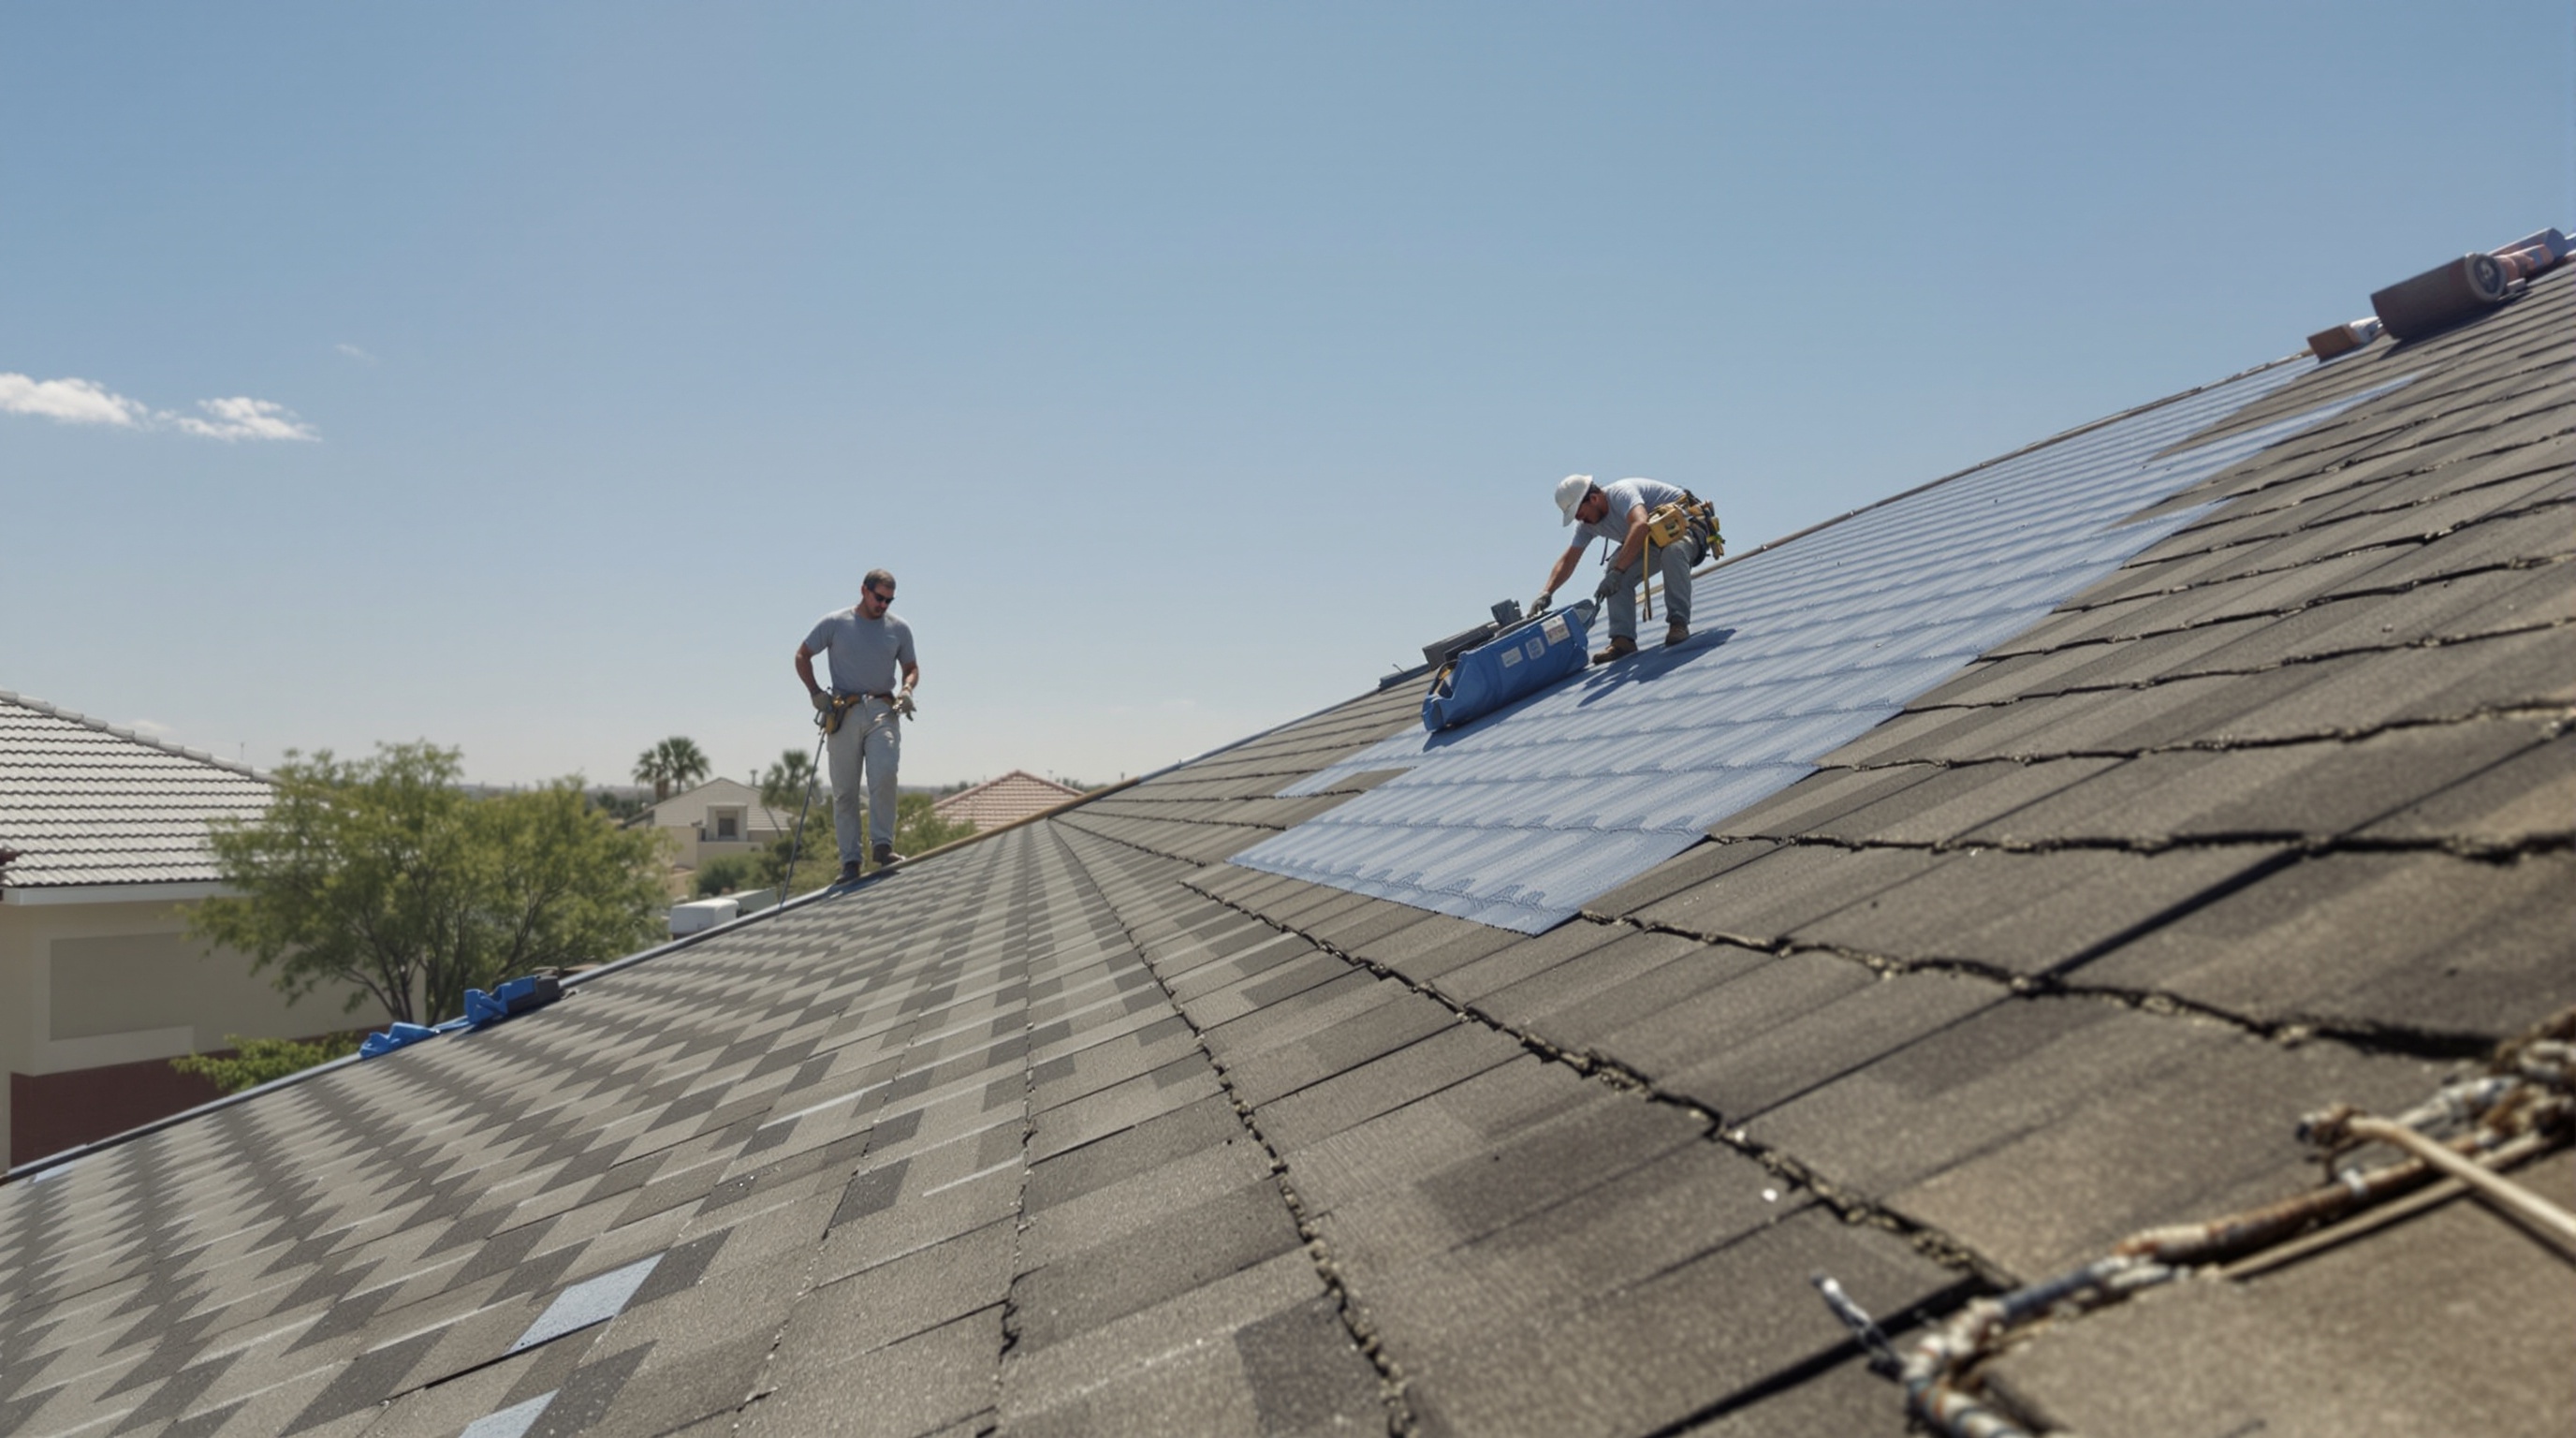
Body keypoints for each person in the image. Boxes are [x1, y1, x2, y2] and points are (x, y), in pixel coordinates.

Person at [794, 569, 919, 881]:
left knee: (885, 773)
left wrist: (907, 689)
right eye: (879, 598)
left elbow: (911, 667)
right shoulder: (835, 624)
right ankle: (850, 861)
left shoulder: (899, 629)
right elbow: (802, 655)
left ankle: (882, 845)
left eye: (889, 600)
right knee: (845, 791)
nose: (883, 605)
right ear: (863, 591)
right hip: (844, 711)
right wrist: (815, 694)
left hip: (881, 709)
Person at [1535, 474, 1707, 664]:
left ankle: (1678, 623)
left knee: (1671, 553)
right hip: (1653, 538)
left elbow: (1640, 524)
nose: (1580, 520)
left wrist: (1618, 571)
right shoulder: (1588, 525)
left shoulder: (1621, 493)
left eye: (1580, 513)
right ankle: (1622, 640)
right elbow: (1568, 560)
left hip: (1685, 527)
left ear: (1593, 498)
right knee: (1616, 572)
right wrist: (1547, 592)